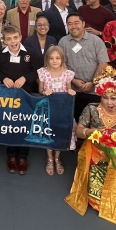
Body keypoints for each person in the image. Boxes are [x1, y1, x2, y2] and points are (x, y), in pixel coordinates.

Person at [65, 67, 116, 226]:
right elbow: (78, 132)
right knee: (95, 196)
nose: (109, 102)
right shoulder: (91, 109)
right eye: (105, 97)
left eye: (114, 98)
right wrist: (92, 131)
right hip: (94, 158)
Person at [0, 25, 41, 175]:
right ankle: (11, 155)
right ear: (4, 40)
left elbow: (37, 70)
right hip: (8, 97)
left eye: (15, 38)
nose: (13, 41)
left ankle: (22, 156)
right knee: (10, 124)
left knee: (24, 124)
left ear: (20, 37)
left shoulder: (30, 53)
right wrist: (4, 78)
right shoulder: (0, 55)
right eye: (8, 39)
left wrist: (25, 78)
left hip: (26, 95)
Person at [59, 13, 109, 118]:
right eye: (70, 24)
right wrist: (73, 80)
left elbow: (103, 63)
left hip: (94, 92)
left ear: (83, 24)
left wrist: (93, 82)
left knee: (94, 122)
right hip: (72, 91)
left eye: (76, 23)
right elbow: (61, 65)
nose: (73, 26)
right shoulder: (63, 42)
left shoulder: (96, 41)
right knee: (75, 122)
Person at [37, 46, 75, 176]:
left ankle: (57, 157)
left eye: (57, 58)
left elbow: (68, 89)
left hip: (62, 110)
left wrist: (70, 91)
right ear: (47, 59)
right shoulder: (43, 72)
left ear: (62, 59)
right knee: (48, 133)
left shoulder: (67, 73)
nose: (54, 61)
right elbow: (40, 89)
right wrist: (43, 91)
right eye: (51, 58)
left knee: (59, 133)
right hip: (48, 109)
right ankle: (50, 158)